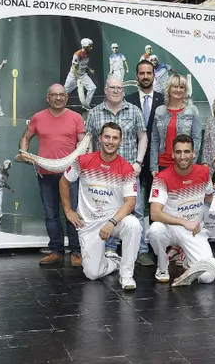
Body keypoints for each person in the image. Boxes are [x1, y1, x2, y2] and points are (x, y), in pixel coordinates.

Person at [59, 122, 142, 290]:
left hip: (113, 221)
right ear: (100, 138)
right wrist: (68, 210)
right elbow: (64, 182)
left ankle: (126, 276)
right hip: (88, 224)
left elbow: (130, 202)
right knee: (92, 274)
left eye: (115, 138)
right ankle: (113, 261)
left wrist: (111, 222)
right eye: (107, 137)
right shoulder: (83, 161)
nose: (110, 141)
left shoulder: (126, 169)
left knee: (133, 225)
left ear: (120, 141)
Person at [84, 77, 153, 266]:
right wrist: (90, 160)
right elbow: (88, 138)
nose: (116, 91)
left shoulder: (134, 110)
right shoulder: (95, 113)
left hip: (129, 172)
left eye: (119, 88)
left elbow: (143, 137)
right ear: (105, 90)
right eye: (112, 88)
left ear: (123, 90)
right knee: (106, 210)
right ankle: (109, 249)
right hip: (103, 173)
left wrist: (138, 162)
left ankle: (141, 251)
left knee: (137, 211)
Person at [16, 84, 84, 266]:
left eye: (62, 95)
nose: (58, 98)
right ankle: (56, 250)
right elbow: (25, 137)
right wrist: (24, 153)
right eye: (54, 95)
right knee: (51, 214)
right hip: (45, 174)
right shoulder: (38, 117)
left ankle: (77, 252)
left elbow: (82, 143)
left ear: (66, 98)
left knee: (73, 213)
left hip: (70, 175)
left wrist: (82, 151)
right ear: (48, 98)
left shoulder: (76, 118)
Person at [148, 135, 215, 283]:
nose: (183, 156)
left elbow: (209, 198)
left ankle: (188, 259)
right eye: (178, 152)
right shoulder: (161, 177)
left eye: (186, 152)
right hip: (170, 228)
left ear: (193, 153)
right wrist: (183, 222)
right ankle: (162, 265)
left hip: (193, 230)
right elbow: (154, 213)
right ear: (172, 154)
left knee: (208, 277)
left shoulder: (204, 172)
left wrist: (200, 220)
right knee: (154, 230)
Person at [125, 60, 165, 227]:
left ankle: (155, 241)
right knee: (135, 203)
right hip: (135, 161)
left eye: (149, 73)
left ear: (154, 75)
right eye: (142, 73)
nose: (146, 76)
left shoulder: (164, 100)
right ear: (137, 76)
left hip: (158, 160)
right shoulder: (127, 100)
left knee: (158, 202)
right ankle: (137, 243)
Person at [150, 74, 202, 175]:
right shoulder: (159, 111)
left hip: (184, 164)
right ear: (169, 89)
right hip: (163, 164)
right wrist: (153, 166)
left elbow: (196, 139)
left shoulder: (192, 110)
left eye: (181, 87)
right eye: (175, 86)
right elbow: (155, 140)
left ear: (185, 90)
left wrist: (191, 164)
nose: (178, 90)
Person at [63, 38, 98, 109]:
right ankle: (59, 105)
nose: (91, 48)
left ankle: (85, 106)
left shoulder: (87, 53)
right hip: (73, 76)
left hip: (82, 75)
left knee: (92, 87)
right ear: (85, 46)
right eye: (90, 46)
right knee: (64, 92)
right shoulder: (77, 54)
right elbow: (74, 67)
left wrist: (89, 69)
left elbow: (83, 64)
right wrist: (77, 78)